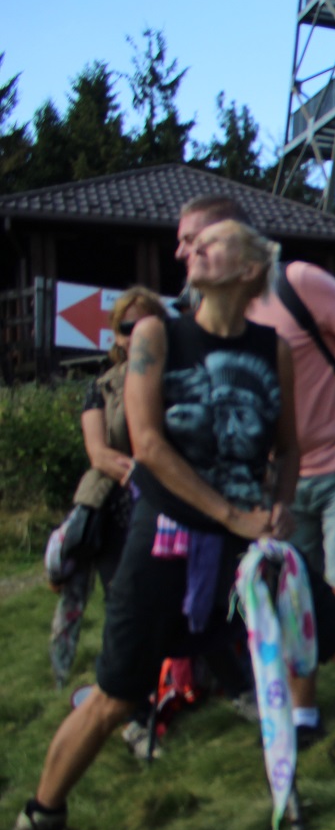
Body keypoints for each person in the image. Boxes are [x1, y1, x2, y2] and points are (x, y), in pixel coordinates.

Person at [5, 219, 335, 830]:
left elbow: (287, 447)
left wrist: (280, 503)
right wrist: (233, 515)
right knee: (118, 694)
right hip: (167, 540)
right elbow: (148, 447)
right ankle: (37, 825)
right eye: (190, 245)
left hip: (251, 540)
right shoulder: (158, 336)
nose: (191, 250)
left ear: (250, 267)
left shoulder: (272, 349)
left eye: (212, 242)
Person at [177, 194, 335, 778]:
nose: (184, 252)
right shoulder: (207, 314)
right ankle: (304, 716)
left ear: (235, 238)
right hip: (274, 483)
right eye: (182, 242)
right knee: (288, 599)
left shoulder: (297, 282)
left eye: (195, 239)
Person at [50, 287, 164, 683]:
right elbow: (99, 453)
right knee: (122, 600)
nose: (136, 334)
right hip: (117, 508)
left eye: (145, 324)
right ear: (116, 335)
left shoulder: (178, 379)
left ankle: (182, 680)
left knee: (174, 599)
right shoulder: (100, 387)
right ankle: (124, 686)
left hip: (171, 505)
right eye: (127, 328)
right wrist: (146, 473)